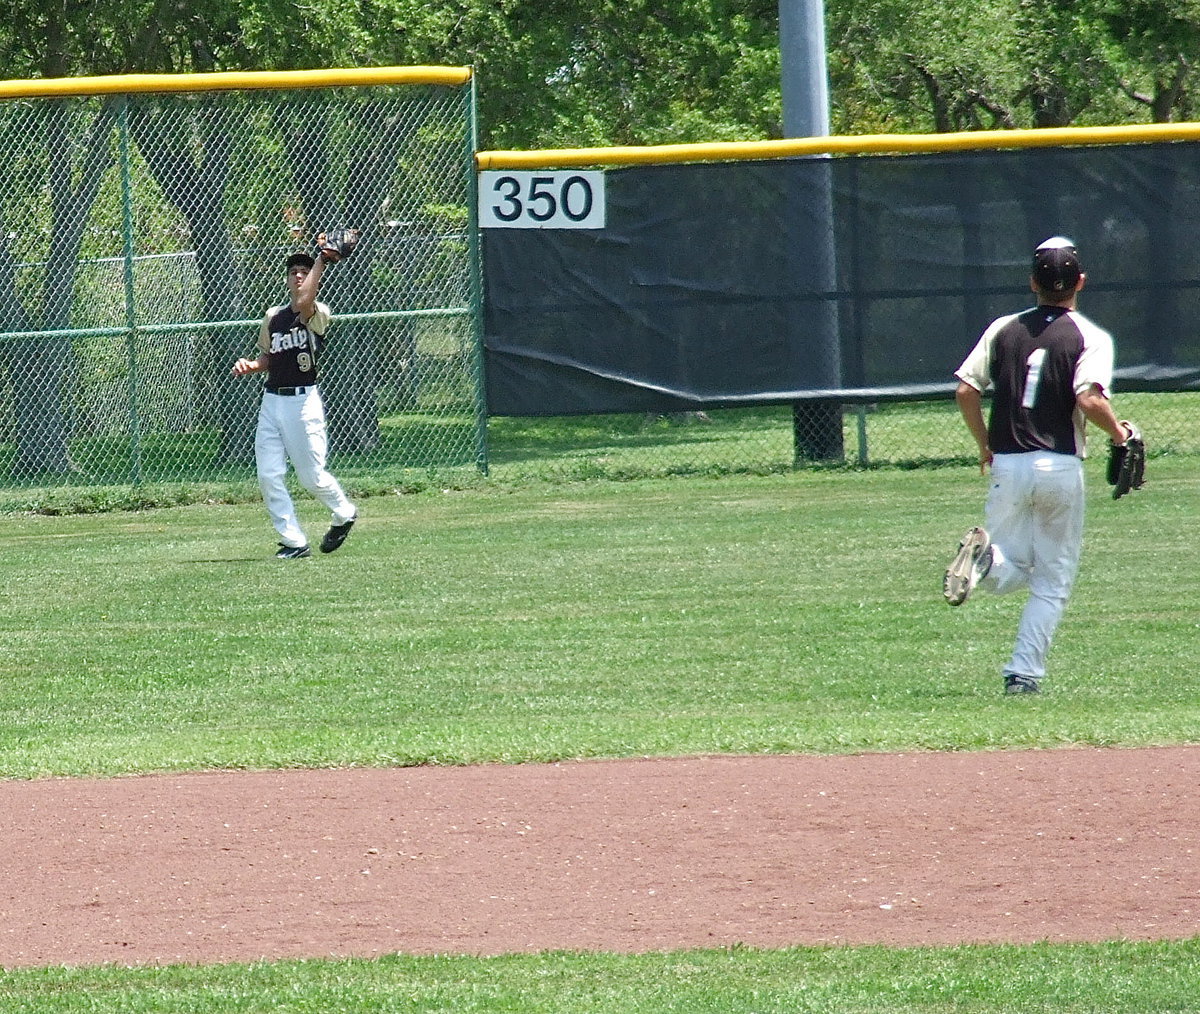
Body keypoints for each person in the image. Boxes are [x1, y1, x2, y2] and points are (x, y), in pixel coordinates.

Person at [942, 236, 1132, 694]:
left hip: (1007, 463)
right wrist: (1120, 434)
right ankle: (1023, 674)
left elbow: (967, 390)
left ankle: (984, 561)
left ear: (1032, 282)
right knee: (1052, 579)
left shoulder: (1003, 328)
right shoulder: (1090, 336)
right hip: (1059, 466)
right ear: (1080, 282)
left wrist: (985, 445)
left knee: (1008, 570)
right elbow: (1088, 399)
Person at [231, 249, 357, 559]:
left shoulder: (317, 312)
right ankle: (294, 541)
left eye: (303, 270)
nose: (298, 275)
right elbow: (270, 356)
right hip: (271, 401)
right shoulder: (274, 317)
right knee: (268, 474)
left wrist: (322, 261)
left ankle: (344, 513)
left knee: (311, 477)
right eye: (293, 272)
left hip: (303, 404)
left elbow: (303, 303)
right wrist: (251, 365)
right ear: (287, 279)